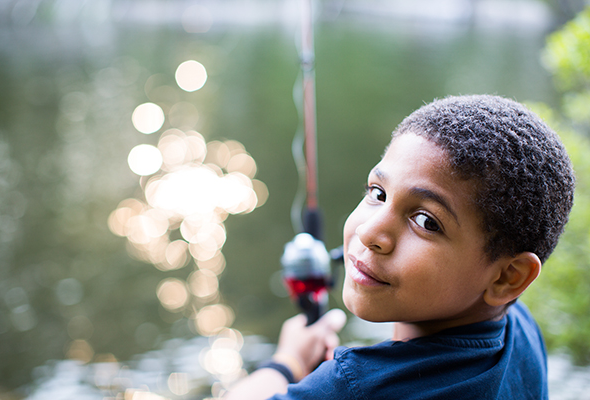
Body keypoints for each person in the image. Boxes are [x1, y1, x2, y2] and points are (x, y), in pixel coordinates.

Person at [224, 94, 575, 400]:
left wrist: (287, 364)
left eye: (426, 221)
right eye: (377, 193)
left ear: (508, 278)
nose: (369, 233)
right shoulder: (520, 332)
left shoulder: (351, 388)